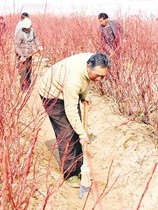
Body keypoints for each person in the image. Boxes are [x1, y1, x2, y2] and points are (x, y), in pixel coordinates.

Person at [39, 52, 111, 187]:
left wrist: (84, 95)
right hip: (52, 94)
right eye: (98, 75)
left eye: (103, 76)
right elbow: (70, 109)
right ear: (88, 67)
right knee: (66, 133)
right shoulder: (73, 80)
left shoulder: (94, 60)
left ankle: (79, 166)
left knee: (76, 130)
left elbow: (86, 80)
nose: (100, 79)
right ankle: (70, 173)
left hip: (66, 90)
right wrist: (83, 134)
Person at [14, 18, 43, 90]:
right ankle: (23, 88)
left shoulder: (32, 31)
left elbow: (35, 38)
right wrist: (21, 55)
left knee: (29, 70)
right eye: (25, 28)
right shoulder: (19, 34)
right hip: (22, 55)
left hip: (29, 54)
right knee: (23, 72)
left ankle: (28, 86)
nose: (26, 30)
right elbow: (16, 46)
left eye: (28, 28)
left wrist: (38, 45)